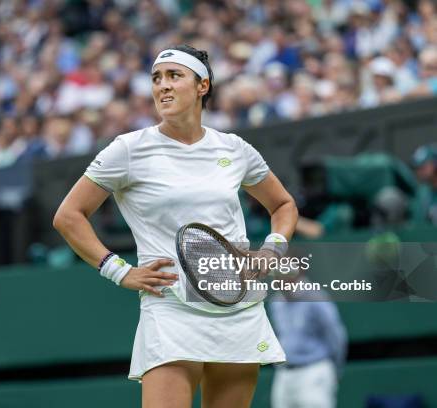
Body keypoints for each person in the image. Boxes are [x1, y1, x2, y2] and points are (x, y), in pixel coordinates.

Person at [53, 45, 298, 408]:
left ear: (202, 86)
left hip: (238, 307)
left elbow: (283, 204)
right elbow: (68, 216)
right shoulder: (128, 149)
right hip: (170, 307)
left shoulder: (234, 148)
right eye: (156, 78)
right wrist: (118, 271)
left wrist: (272, 248)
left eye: (174, 76)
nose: (162, 86)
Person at [269, 275, 348, 408]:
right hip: (284, 375)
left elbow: (335, 335)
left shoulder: (315, 297)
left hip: (314, 371)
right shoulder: (276, 302)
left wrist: (335, 369)